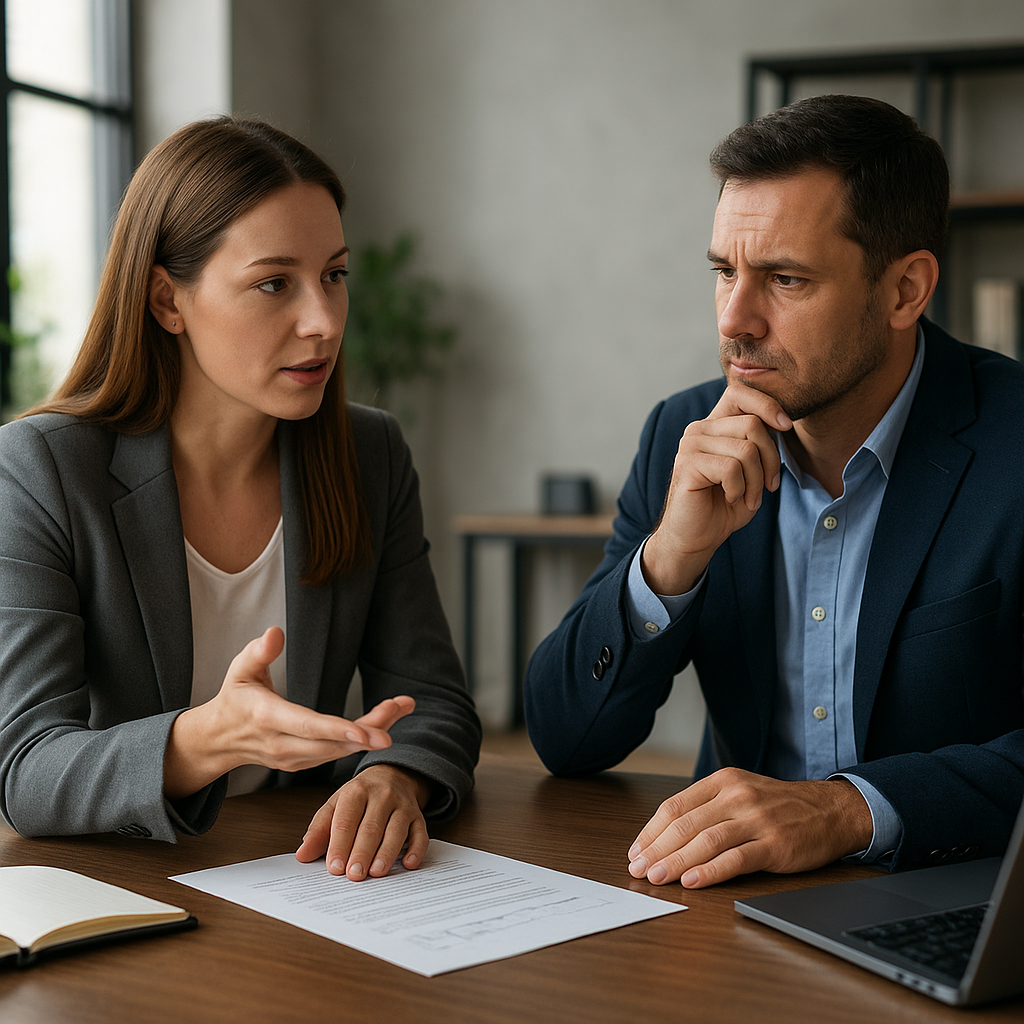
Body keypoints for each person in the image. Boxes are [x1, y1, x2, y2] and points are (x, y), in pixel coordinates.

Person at [524, 94, 1024, 890]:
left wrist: (846, 811)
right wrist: (671, 559)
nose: (734, 319)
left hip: (953, 896)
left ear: (905, 290)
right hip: (732, 914)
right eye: (724, 271)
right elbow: (564, 739)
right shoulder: (680, 435)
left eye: (784, 279)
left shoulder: (1012, 444)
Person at [0, 117, 480, 882]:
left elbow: (432, 700)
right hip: (130, 886)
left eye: (335, 275)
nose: (323, 322)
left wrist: (394, 778)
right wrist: (210, 738)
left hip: (308, 880)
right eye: (272, 283)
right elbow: (26, 771)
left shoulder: (369, 454)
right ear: (167, 299)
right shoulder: (45, 467)